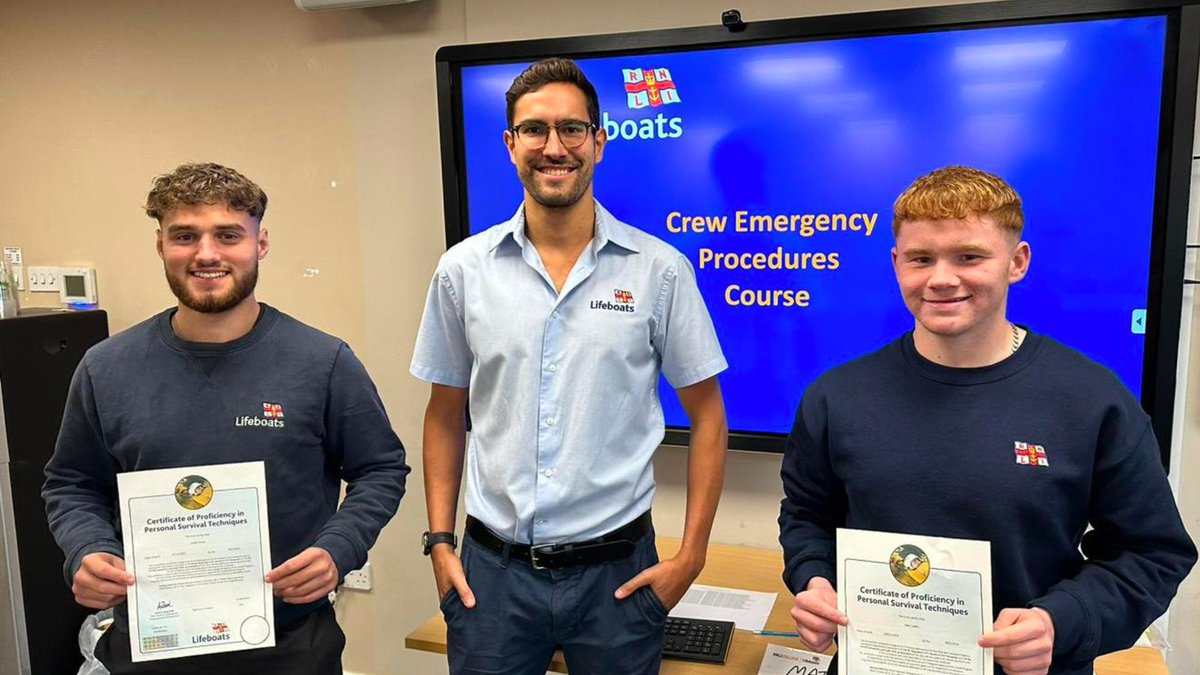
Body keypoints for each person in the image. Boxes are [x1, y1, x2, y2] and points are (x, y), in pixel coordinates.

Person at [778, 166, 1197, 675]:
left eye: (969, 257)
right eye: (920, 259)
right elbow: (807, 517)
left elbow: (1152, 553)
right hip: (877, 661)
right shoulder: (836, 397)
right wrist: (813, 579)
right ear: (896, 263)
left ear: (1016, 262)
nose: (941, 278)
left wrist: (1059, 622)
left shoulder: (1092, 400)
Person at [411, 57, 728, 675]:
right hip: (490, 581)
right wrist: (439, 544)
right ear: (510, 145)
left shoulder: (659, 272)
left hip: (618, 579)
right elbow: (444, 415)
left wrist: (691, 557)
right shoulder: (462, 272)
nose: (553, 147)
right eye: (534, 130)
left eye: (572, 130)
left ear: (599, 142)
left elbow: (709, 417)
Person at [42, 162, 410, 674]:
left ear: (260, 244)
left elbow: (381, 469)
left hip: (290, 647)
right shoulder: (106, 368)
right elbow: (72, 483)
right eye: (185, 236)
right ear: (160, 245)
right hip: (151, 646)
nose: (206, 253)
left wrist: (339, 548)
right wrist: (87, 549)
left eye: (228, 235)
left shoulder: (322, 362)